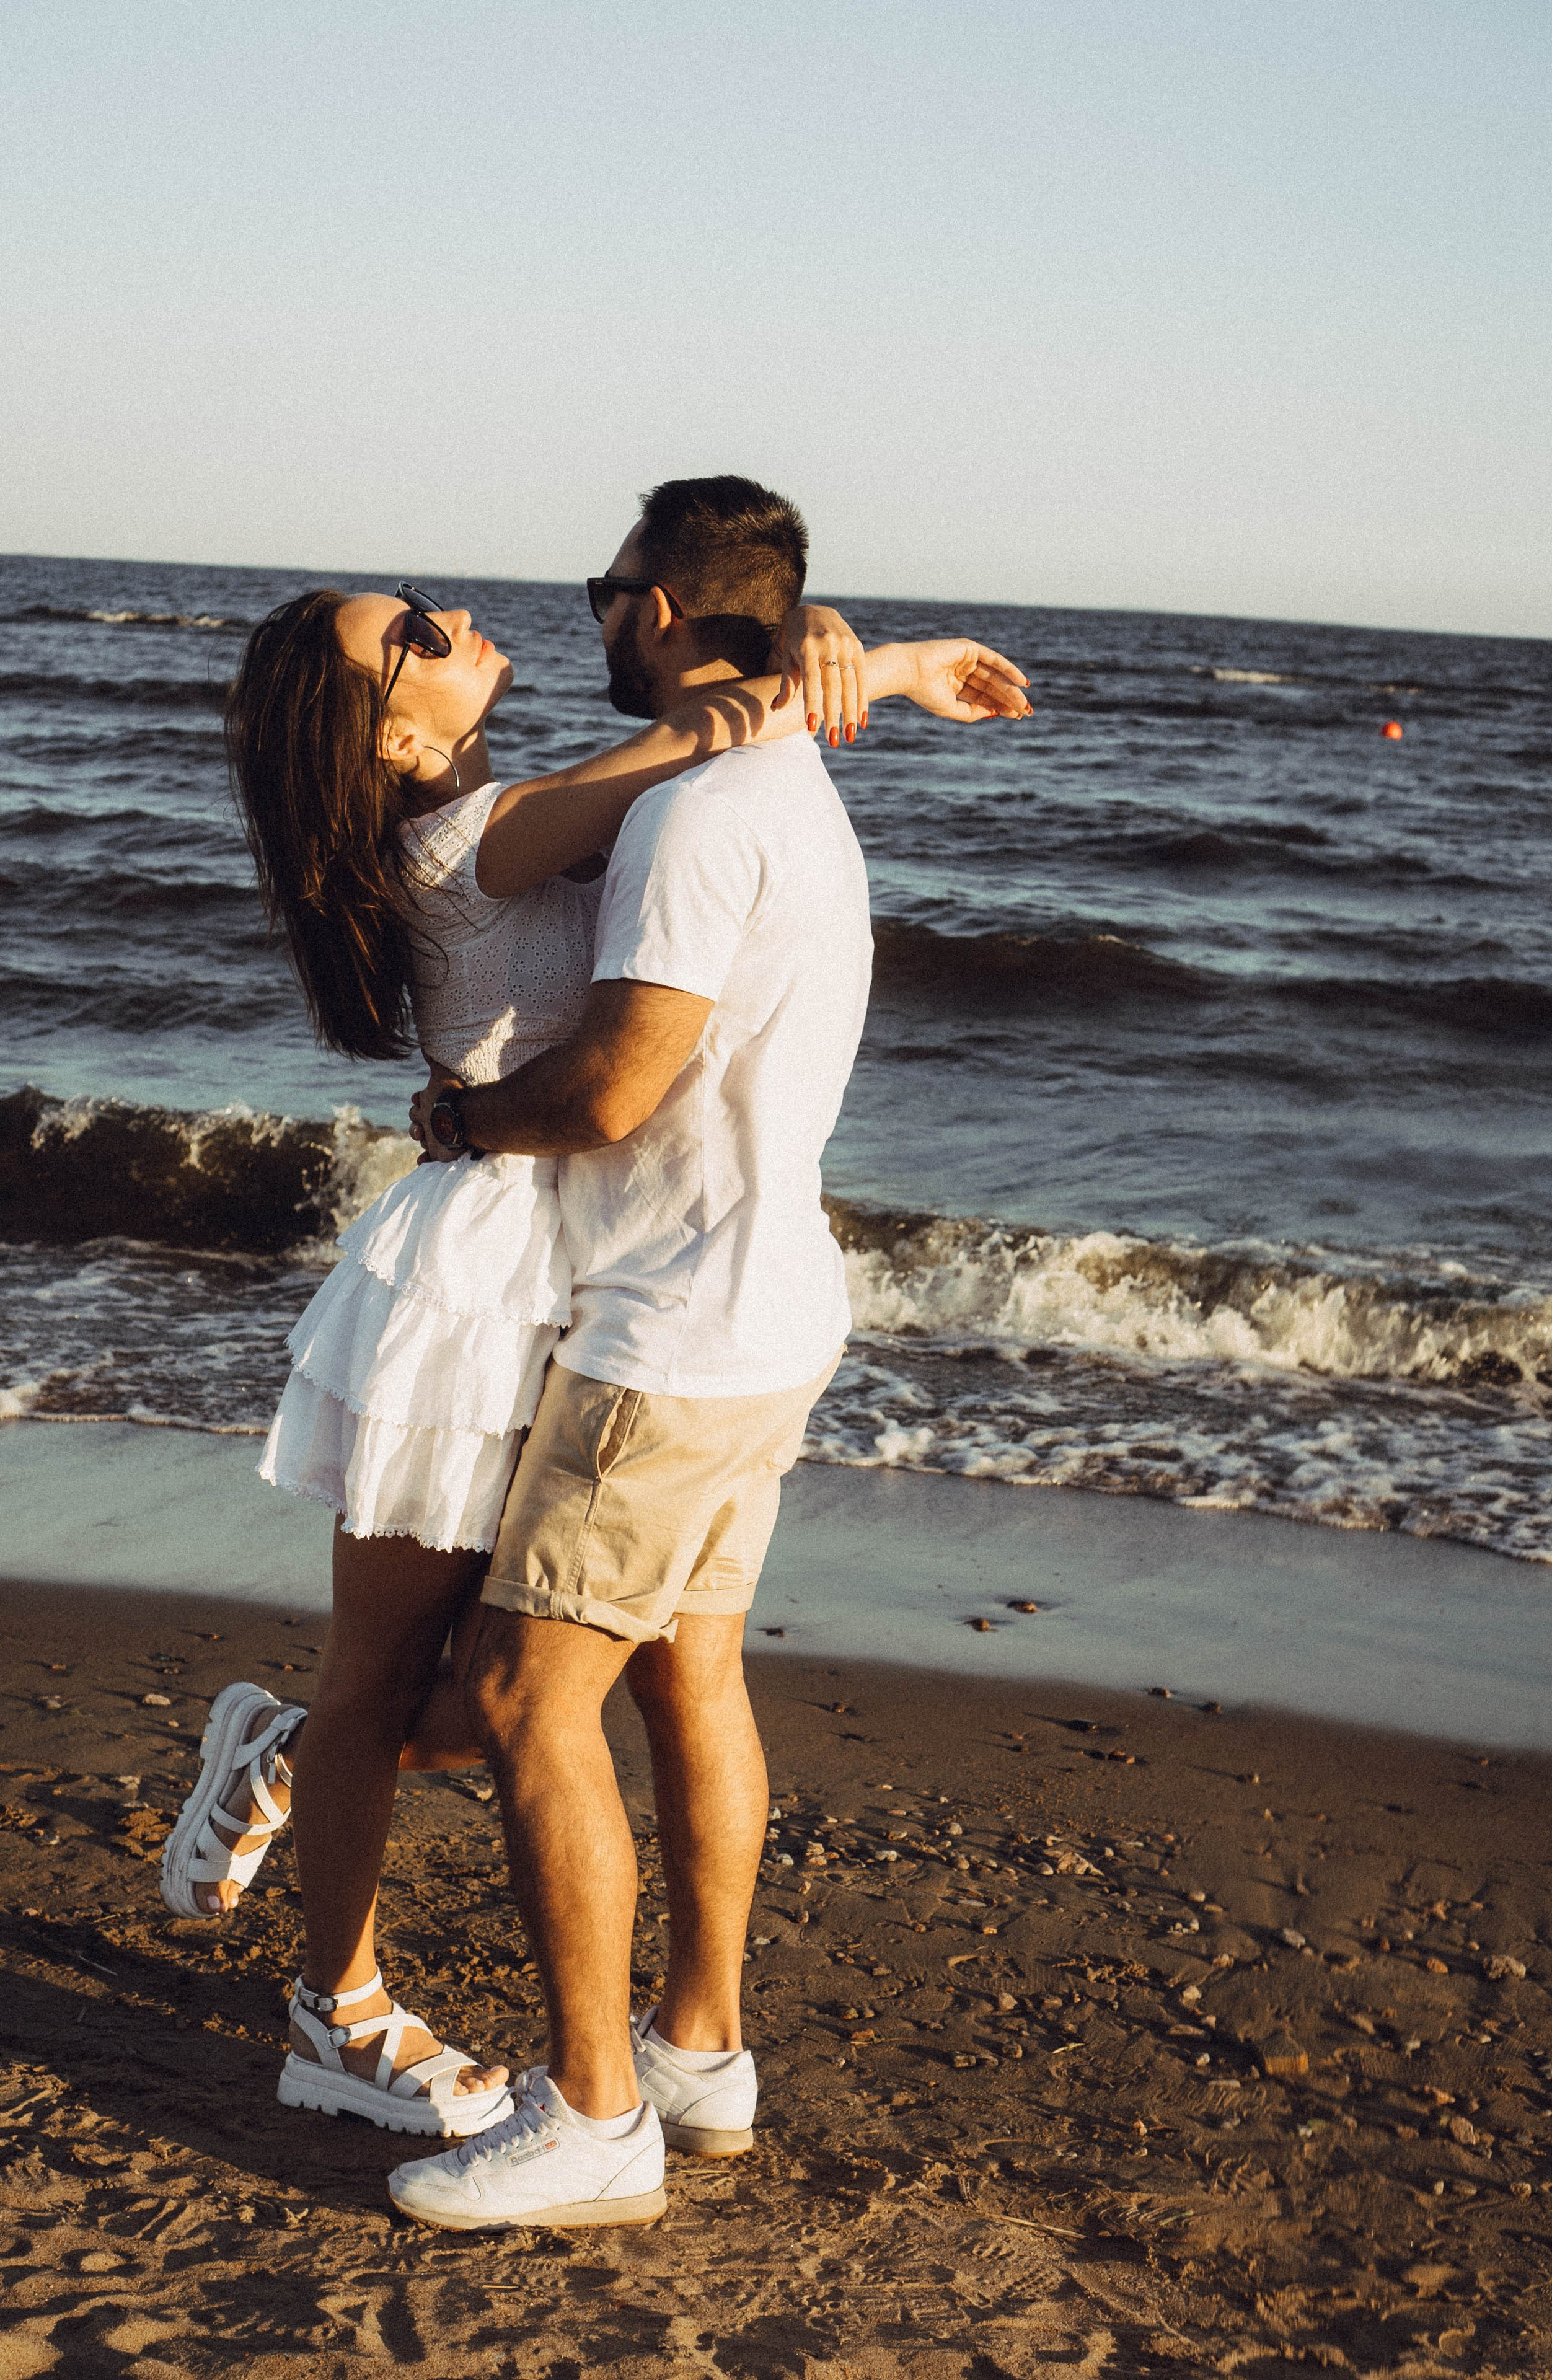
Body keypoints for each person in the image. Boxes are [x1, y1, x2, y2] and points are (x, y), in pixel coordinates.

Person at [159, 479, 1031, 2151]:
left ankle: (274, 1760)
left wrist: (814, 645)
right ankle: (333, 2011)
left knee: (510, 1670)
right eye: (411, 640)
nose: (458, 623)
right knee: (395, 1676)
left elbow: (712, 743)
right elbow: (698, 751)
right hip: (479, 1279)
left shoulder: (518, 801)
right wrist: (876, 662)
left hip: (589, 1268)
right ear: (388, 732)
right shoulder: (467, 835)